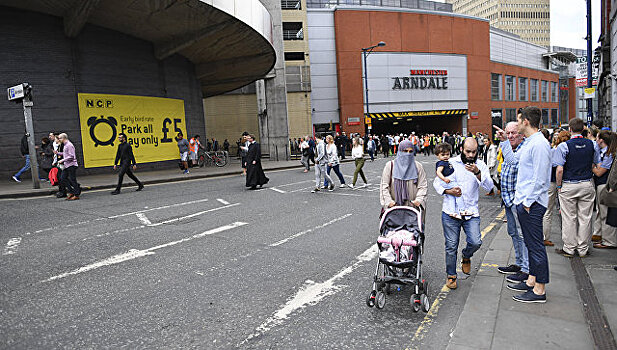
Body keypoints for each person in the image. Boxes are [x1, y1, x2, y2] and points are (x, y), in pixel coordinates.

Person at [499, 106, 551, 303]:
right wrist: (504, 141)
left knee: (536, 246)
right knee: (530, 244)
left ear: (526, 122)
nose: (517, 124)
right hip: (525, 202)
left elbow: (540, 179)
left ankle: (540, 290)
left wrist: (527, 203)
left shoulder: (539, 144)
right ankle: (531, 280)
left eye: (519, 121)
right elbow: (512, 161)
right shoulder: (530, 143)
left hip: (532, 204)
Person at [433, 138, 494, 290]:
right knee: (451, 246)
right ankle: (451, 275)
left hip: (470, 212)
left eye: (474, 152)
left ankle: (466, 256)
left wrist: (477, 173)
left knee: (475, 242)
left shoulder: (480, 165)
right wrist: (448, 191)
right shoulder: (450, 163)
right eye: (468, 151)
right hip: (451, 212)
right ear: (461, 149)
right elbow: (436, 183)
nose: (471, 155)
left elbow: (489, 187)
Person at [555, 117, 599, 258]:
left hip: (569, 184)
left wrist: (559, 185)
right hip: (587, 183)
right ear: (583, 129)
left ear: (570, 129)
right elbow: (595, 163)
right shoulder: (593, 144)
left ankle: (569, 248)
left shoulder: (564, 146)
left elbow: (560, 169)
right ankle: (582, 249)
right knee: (585, 217)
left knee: (569, 217)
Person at [493, 122, 529, 285]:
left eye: (513, 133)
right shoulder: (509, 147)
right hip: (508, 199)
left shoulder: (523, 149)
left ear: (522, 134)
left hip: (518, 199)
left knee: (522, 234)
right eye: (508, 133)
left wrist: (504, 142)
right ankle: (520, 264)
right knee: (513, 233)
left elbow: (513, 163)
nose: (510, 136)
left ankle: (526, 270)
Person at [380, 139, 427, 209]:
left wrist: (419, 200)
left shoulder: (418, 166)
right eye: (405, 151)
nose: (408, 154)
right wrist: (388, 201)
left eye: (410, 151)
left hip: (413, 209)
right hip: (394, 208)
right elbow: (384, 187)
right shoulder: (390, 166)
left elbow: (423, 185)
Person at [542, 131, 570, 247]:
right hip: (562, 182)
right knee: (568, 213)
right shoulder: (569, 151)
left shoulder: (553, 150)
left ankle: (544, 237)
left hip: (551, 182)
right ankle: (568, 240)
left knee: (548, 211)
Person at [592, 131, 617, 249]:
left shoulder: (609, 155)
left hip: (605, 186)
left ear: (602, 140)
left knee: (605, 213)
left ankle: (609, 240)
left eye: (597, 138)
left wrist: (592, 166)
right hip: (603, 185)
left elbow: (599, 172)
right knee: (601, 211)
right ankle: (600, 234)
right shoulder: (606, 153)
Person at [434, 142, 470, 220]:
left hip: (446, 181)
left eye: (447, 154)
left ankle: (452, 212)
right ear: (437, 155)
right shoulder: (441, 163)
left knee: (451, 197)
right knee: (458, 192)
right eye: (443, 155)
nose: (446, 156)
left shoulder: (447, 162)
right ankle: (462, 210)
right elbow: (438, 172)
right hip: (446, 182)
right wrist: (444, 179)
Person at [55, 133, 81, 201]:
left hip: (72, 165)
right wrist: (58, 153)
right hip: (67, 165)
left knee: (72, 180)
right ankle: (72, 192)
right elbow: (66, 154)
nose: (59, 139)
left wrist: (62, 160)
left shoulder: (69, 145)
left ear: (64, 138)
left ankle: (76, 194)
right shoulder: (66, 145)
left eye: (60, 138)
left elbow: (71, 156)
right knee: (62, 178)